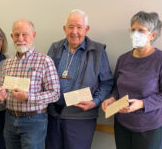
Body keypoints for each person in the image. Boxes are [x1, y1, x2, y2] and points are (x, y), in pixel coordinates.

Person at [102, 11, 162, 149]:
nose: (135, 34)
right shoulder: (123, 59)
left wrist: (142, 104)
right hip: (122, 124)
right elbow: (117, 88)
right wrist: (112, 98)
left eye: (141, 30)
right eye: (133, 30)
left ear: (152, 35)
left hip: (149, 127)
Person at [46, 9, 114, 149]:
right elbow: (44, 77)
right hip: (53, 115)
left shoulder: (98, 51)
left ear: (86, 29)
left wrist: (95, 102)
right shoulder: (55, 48)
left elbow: (107, 83)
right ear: (64, 29)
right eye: (71, 27)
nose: (74, 31)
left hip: (81, 118)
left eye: (79, 27)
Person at [0, 20, 60, 149]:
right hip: (10, 119)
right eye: (17, 35)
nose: (21, 38)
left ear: (33, 35)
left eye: (25, 34)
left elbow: (55, 94)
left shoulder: (45, 61)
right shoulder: (8, 63)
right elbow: (2, 91)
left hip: (34, 121)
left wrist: (28, 97)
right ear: (12, 37)